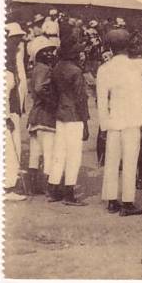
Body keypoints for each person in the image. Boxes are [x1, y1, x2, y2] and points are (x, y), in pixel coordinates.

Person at [97, 31, 142, 216]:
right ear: (128, 46)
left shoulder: (104, 69)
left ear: (110, 48)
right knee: (130, 161)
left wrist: (104, 126)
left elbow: (102, 100)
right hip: (133, 120)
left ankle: (111, 200)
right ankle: (128, 203)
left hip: (114, 121)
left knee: (112, 161)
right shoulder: (135, 65)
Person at [46, 36, 90, 206]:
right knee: (73, 155)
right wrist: (85, 123)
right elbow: (80, 99)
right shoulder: (76, 71)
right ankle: (69, 193)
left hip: (61, 113)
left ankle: (52, 188)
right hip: (74, 116)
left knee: (59, 153)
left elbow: (53, 92)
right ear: (73, 54)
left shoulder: (56, 68)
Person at [26, 38, 58, 195]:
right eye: (46, 51)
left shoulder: (35, 69)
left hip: (35, 116)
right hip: (46, 115)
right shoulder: (45, 69)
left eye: (51, 51)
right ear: (38, 55)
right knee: (48, 152)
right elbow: (40, 88)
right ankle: (49, 188)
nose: (50, 54)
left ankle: (33, 186)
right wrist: (53, 102)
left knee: (35, 152)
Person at [4, 23, 28, 201]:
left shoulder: (14, 60)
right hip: (7, 112)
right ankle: (7, 187)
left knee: (14, 147)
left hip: (14, 109)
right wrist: (5, 117)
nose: (19, 43)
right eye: (16, 40)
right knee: (9, 149)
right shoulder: (5, 66)